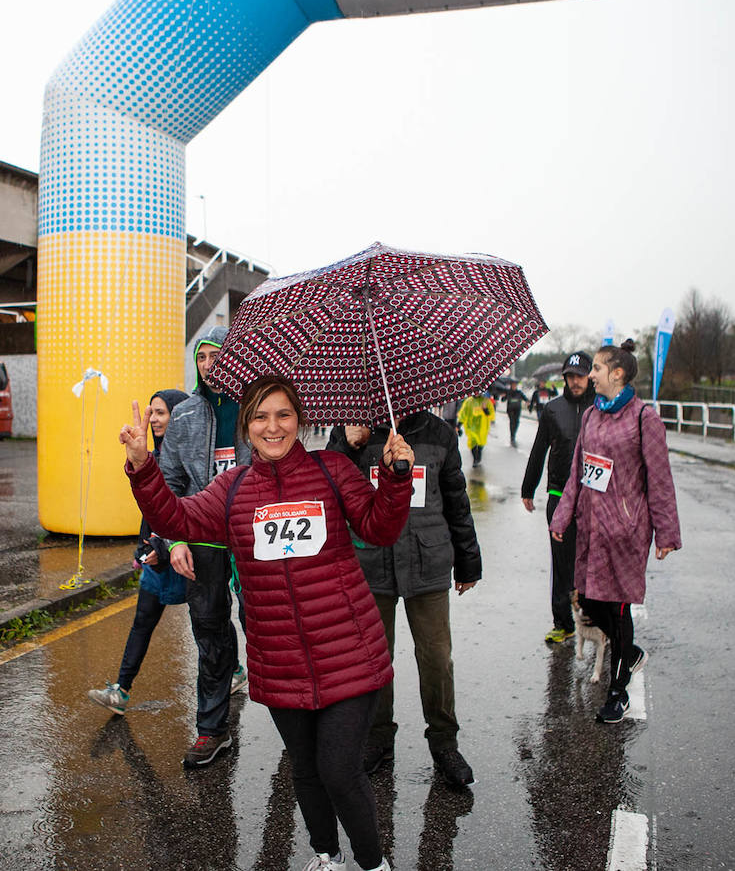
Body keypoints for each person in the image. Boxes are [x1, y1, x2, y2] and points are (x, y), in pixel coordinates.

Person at [122, 374, 414, 871]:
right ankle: (326, 856)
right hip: (278, 659)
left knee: (339, 770)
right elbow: (176, 519)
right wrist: (143, 467)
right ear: (247, 425)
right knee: (304, 768)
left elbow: (380, 528)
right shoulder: (231, 490)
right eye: (259, 416)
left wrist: (394, 478)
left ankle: (373, 864)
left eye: (283, 414)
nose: (272, 426)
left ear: (299, 420)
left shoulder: (333, 470)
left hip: (349, 653)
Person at [326, 410, 482, 789]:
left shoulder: (439, 433)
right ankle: (378, 738)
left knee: (436, 658)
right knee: (374, 659)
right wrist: (347, 445)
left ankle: (444, 743)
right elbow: (328, 488)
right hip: (370, 562)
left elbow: (456, 499)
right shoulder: (351, 428)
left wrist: (468, 562)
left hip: (428, 562)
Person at [550, 340, 680, 724]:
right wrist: (562, 517)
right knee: (589, 603)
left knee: (618, 605)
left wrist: (666, 532)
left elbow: (660, 479)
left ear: (618, 374)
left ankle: (617, 691)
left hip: (625, 531)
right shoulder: (591, 415)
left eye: (598, 369)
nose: (591, 375)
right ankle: (631, 651)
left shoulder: (645, 419)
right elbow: (578, 473)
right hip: (591, 528)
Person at [159, 325, 251, 767]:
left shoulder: (257, 408)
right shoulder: (186, 415)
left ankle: (300, 728)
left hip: (255, 538)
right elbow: (170, 483)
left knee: (270, 632)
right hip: (202, 540)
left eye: (219, 356)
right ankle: (212, 730)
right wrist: (174, 538)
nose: (211, 366)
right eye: (203, 358)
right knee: (210, 636)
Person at [88, 388, 190, 715]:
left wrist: (164, 545)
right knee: (143, 620)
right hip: (156, 557)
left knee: (209, 624)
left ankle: (232, 670)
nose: (155, 419)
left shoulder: (186, 454)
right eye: (152, 412)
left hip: (188, 553)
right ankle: (121, 690)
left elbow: (184, 506)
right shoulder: (149, 453)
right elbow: (149, 512)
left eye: (161, 412)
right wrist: (143, 546)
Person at [521, 351, 596, 644]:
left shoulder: (600, 408)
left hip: (593, 498)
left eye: (580, 375)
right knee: (562, 561)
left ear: (590, 376)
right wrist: (528, 488)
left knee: (591, 561)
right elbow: (539, 450)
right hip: (559, 495)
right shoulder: (552, 409)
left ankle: (595, 620)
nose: (575, 382)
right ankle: (563, 623)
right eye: (570, 376)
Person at [457, 393, 494, 468]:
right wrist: (458, 425)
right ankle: (475, 459)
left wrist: (485, 409)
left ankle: (479, 455)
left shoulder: (486, 401)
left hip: (482, 429)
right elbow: (463, 414)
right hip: (471, 428)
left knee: (481, 444)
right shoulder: (468, 401)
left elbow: (492, 415)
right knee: (472, 444)